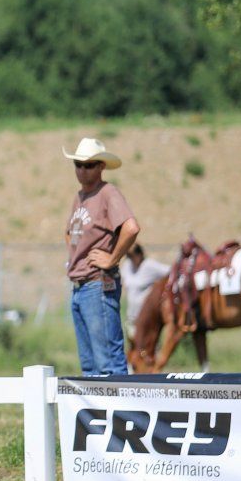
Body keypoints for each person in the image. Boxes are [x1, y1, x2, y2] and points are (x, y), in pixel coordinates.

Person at [63, 138, 140, 375]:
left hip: (97, 285)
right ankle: (97, 412)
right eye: (78, 164)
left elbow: (131, 227)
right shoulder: (80, 197)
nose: (82, 170)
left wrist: (111, 259)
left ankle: (121, 412)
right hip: (80, 287)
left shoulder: (107, 193)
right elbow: (68, 232)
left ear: (101, 167)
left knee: (108, 363)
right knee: (89, 366)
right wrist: (76, 256)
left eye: (89, 165)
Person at [120, 244, 169, 341]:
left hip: (147, 318)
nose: (130, 259)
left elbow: (170, 271)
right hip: (132, 317)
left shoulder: (149, 266)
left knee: (147, 346)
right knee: (134, 347)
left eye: (131, 256)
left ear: (139, 254)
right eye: (128, 256)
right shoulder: (127, 266)